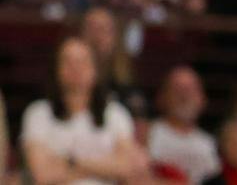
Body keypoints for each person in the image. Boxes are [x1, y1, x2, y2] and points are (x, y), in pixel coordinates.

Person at [17, 37, 148, 185]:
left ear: (95, 69)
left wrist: (70, 161)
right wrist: (108, 166)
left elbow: (128, 168)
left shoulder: (115, 113)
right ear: (56, 69)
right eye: (68, 62)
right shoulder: (38, 113)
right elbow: (42, 176)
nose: (76, 68)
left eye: (82, 61)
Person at [148, 67, 222, 184]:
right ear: (162, 97)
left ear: (203, 99)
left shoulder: (210, 144)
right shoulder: (146, 134)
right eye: (177, 89)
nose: (184, 96)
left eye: (191, 90)